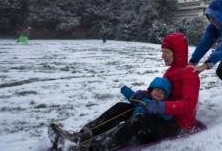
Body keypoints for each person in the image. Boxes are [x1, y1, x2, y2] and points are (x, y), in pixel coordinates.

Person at [48, 32, 200, 151]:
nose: (162, 55)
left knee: (139, 121)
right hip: (161, 112)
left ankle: (91, 148)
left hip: (176, 124)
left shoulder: (189, 74)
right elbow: (164, 92)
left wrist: (161, 107)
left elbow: (188, 104)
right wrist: (144, 95)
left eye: (166, 51)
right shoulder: (169, 73)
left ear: (177, 52)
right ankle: (82, 136)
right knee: (122, 107)